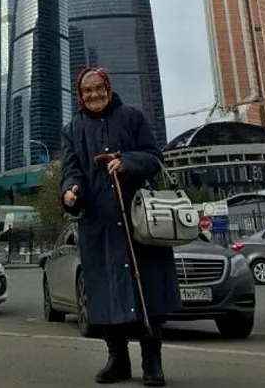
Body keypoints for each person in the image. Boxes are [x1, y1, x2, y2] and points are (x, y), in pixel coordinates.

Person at [61, 67, 181, 386]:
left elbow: (154, 158)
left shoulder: (132, 117)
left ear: (109, 87)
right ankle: (117, 359)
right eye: (86, 91)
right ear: (80, 95)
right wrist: (70, 191)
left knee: (147, 291)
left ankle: (152, 361)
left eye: (98, 88)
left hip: (138, 221)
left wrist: (128, 162)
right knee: (106, 292)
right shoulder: (72, 129)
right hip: (98, 225)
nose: (93, 94)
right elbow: (71, 170)